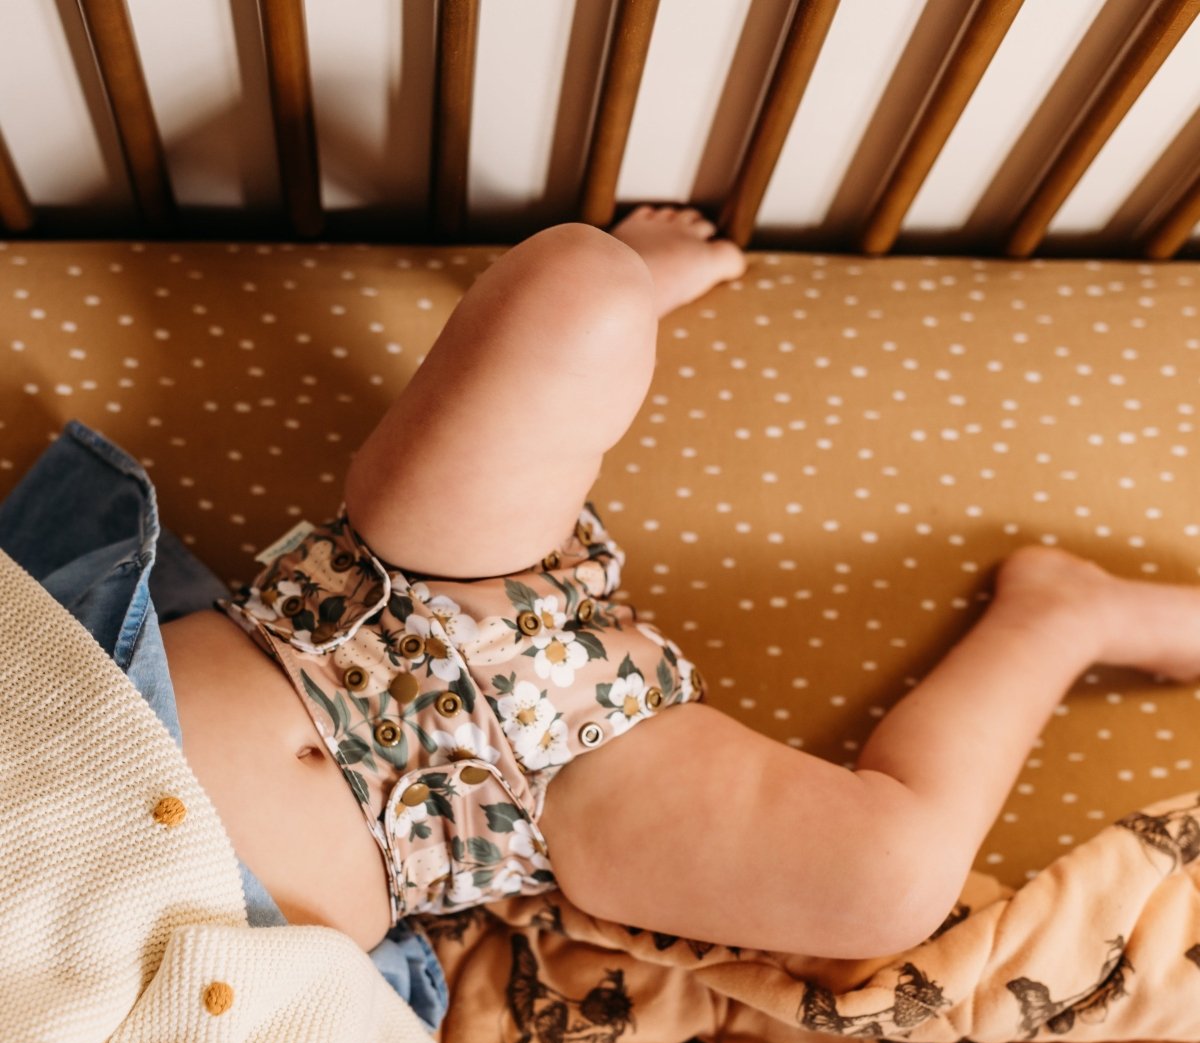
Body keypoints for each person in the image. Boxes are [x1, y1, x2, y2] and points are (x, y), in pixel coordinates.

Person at [111, 207, 1200, 963]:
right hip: (522, 815)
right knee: (892, 886)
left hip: (378, 594)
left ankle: (630, 290)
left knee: (575, 286)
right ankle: (1063, 619)